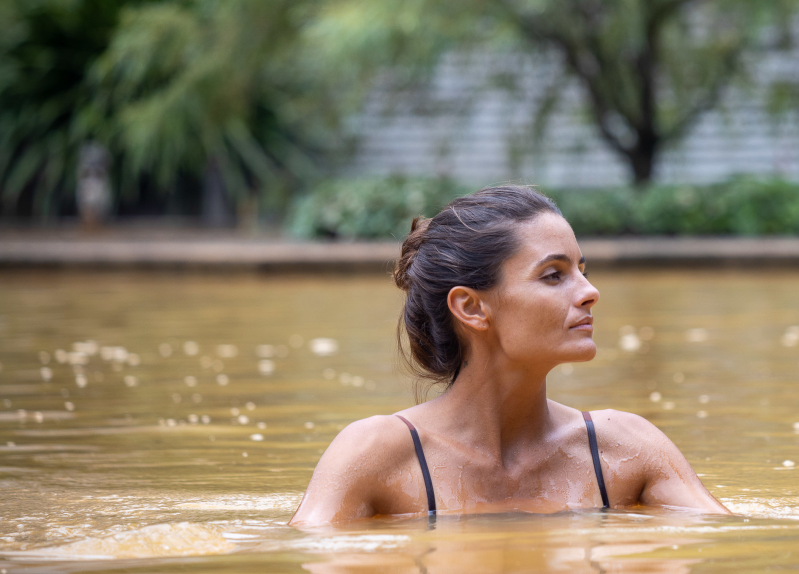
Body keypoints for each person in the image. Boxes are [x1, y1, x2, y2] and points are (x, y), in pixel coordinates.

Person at [290, 186, 728, 523]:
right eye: (554, 275)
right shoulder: (375, 456)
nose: (591, 292)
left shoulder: (623, 449)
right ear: (471, 307)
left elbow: (728, 541)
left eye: (583, 271)